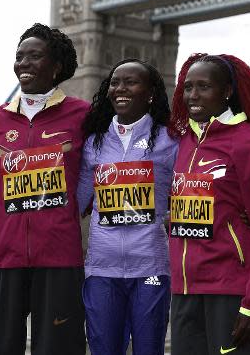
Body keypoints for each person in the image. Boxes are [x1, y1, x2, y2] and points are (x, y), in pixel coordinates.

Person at [0, 23, 89, 355]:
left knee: (58, 348)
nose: (24, 63)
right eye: (19, 56)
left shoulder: (82, 115)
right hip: (1, 255)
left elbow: (96, 173)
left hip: (59, 255)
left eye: (35, 56)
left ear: (56, 66)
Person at [168, 53, 250, 355]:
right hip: (184, 292)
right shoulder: (183, 143)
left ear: (227, 92)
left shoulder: (249, 144)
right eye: (188, 87)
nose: (192, 95)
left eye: (203, 87)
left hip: (231, 292)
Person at [76, 58, 178, 355]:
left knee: (149, 349)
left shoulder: (170, 140)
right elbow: (76, 203)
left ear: (150, 93)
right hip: (101, 269)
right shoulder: (94, 142)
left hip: (151, 268)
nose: (120, 88)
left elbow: (191, 189)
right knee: (103, 350)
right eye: (115, 82)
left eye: (130, 82)